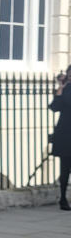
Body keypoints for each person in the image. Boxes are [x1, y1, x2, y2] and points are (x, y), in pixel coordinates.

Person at [48, 65, 71, 210]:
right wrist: (60, 89)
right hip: (66, 132)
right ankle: (63, 198)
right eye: (70, 75)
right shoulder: (64, 90)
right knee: (65, 168)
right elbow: (54, 107)